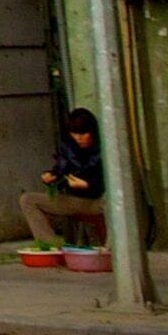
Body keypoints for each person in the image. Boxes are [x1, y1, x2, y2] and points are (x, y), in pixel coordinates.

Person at [21, 106, 107, 250]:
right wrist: (51, 176)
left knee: (114, 203)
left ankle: (111, 249)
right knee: (27, 200)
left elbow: (108, 182)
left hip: (98, 201)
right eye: (74, 134)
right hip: (74, 199)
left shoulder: (103, 148)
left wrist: (87, 185)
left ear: (92, 132)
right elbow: (61, 169)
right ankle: (52, 246)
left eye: (83, 134)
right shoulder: (68, 146)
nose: (78, 138)